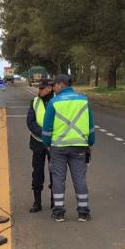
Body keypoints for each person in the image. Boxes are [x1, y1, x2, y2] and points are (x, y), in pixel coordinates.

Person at [42, 74, 95, 222]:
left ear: (61, 85)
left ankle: (59, 212)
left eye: (55, 85)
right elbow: (90, 125)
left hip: (58, 147)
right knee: (80, 178)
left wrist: (47, 144)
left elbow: (47, 128)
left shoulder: (54, 102)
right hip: (79, 146)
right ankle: (83, 212)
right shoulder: (83, 101)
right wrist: (90, 143)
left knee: (58, 179)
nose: (53, 88)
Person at [26, 78, 54, 213]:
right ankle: (37, 202)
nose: (39, 90)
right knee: (37, 173)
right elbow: (30, 122)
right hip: (37, 142)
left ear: (49, 88)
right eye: (39, 88)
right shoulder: (35, 102)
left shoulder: (58, 102)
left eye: (42, 88)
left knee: (55, 172)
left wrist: (50, 136)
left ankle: (55, 201)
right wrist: (44, 134)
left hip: (54, 143)